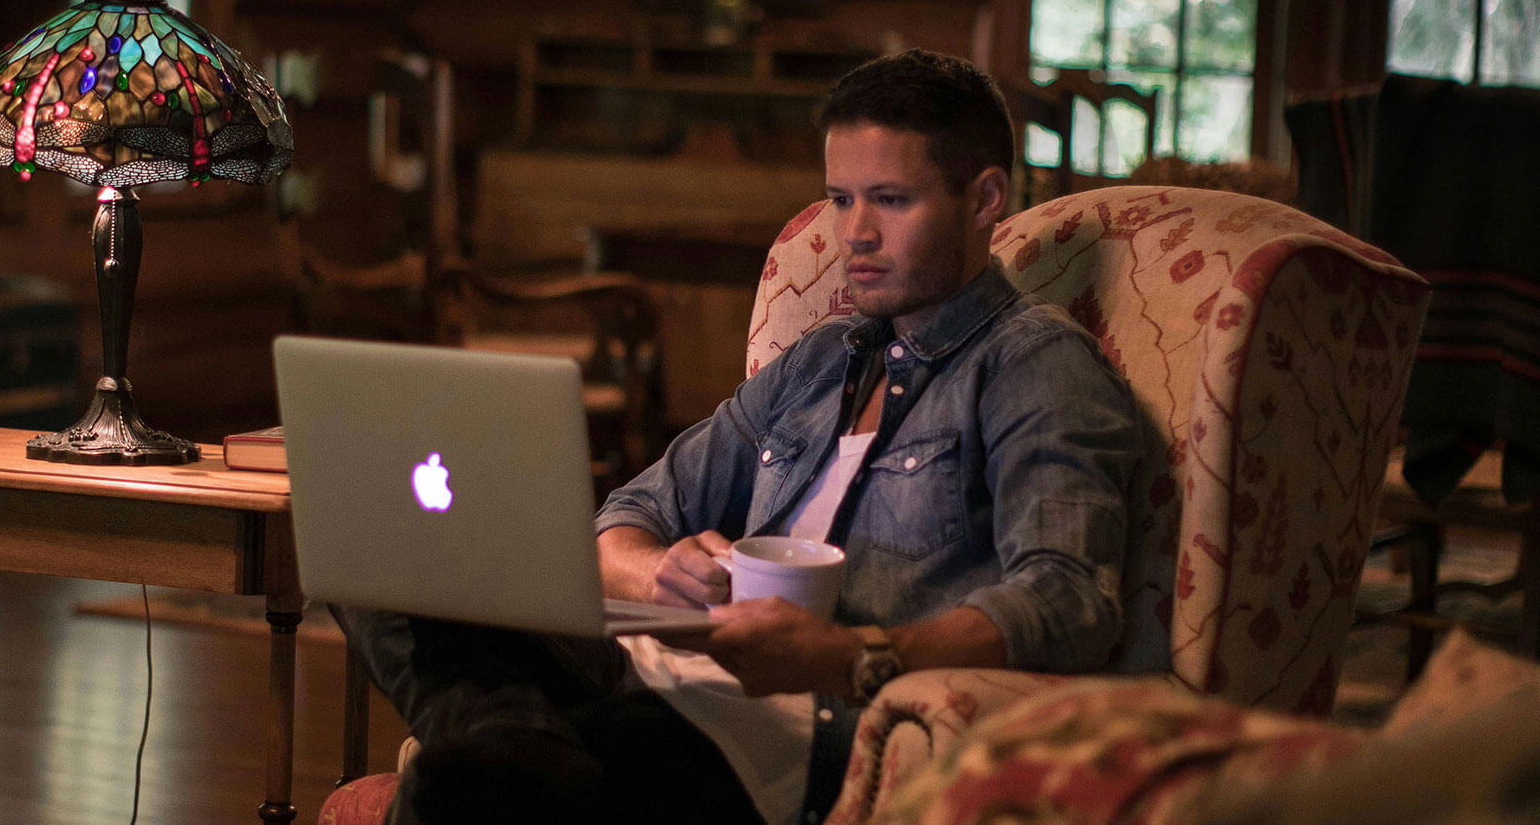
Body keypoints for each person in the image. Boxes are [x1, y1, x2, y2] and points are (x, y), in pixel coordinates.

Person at [335, 48, 1142, 825]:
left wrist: (851, 653)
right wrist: (661, 576)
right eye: (840, 199)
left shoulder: (1034, 364)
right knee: (380, 545)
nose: (853, 233)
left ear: (985, 197)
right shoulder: (822, 359)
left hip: (782, 728)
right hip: (657, 670)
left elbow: (1070, 598)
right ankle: (519, 752)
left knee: (464, 781)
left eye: (891, 200)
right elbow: (629, 515)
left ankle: (510, 758)